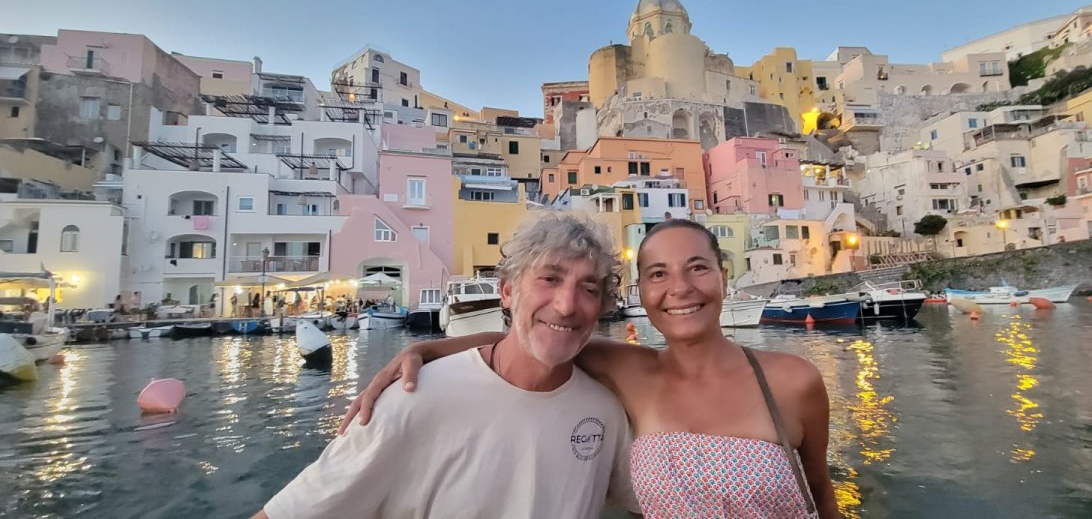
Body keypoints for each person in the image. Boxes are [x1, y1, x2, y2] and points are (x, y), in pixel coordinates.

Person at [345, 219, 840, 518]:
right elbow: (534, 337)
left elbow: (821, 492)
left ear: (722, 278)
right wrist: (428, 352)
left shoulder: (793, 381)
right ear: (640, 293)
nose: (680, 288)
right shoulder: (627, 369)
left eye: (697, 267)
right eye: (658, 275)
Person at [255, 213, 635, 518]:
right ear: (506, 291)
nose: (567, 305)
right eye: (549, 278)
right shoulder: (411, 399)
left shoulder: (606, 412)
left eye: (588, 289)